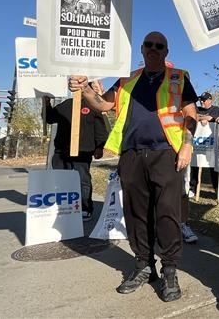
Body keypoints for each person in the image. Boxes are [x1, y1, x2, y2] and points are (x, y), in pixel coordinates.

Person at [68, 31, 198, 302]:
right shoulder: (128, 79)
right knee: (137, 213)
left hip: (167, 154)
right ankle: (143, 265)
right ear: (142, 49)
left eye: (159, 45)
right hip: (132, 155)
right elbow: (103, 104)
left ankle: (170, 269)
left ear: (166, 51)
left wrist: (187, 144)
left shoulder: (179, 77)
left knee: (167, 214)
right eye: (149, 44)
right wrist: (84, 88)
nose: (153, 49)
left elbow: (190, 114)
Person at [43, 90, 107, 222]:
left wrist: (99, 147)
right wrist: (47, 105)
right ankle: (64, 208)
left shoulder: (92, 106)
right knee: (60, 180)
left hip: (83, 151)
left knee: (83, 180)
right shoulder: (66, 104)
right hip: (61, 151)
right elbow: (49, 118)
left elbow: (100, 129)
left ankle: (85, 208)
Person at [196, 92, 219, 199]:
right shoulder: (197, 108)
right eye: (200, 100)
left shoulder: (215, 108)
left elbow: (213, 117)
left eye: (204, 100)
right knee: (195, 165)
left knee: (213, 167)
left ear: (210, 100)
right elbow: (194, 115)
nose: (201, 102)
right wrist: (204, 117)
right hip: (197, 142)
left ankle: (217, 190)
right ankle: (193, 188)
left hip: (211, 143)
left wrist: (203, 118)